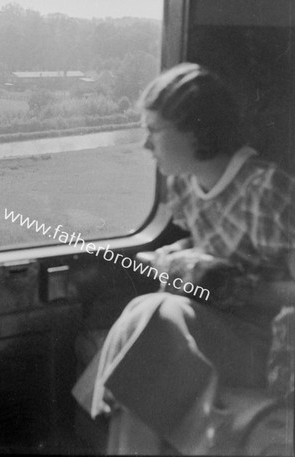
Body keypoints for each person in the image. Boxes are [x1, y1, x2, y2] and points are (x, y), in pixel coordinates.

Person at [74, 63, 295, 454]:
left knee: (156, 311)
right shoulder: (184, 184)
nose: (146, 145)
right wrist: (178, 257)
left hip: (266, 342)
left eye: (154, 131)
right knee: (148, 311)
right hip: (220, 327)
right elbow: (212, 241)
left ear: (195, 130)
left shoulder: (266, 189)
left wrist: (234, 288)